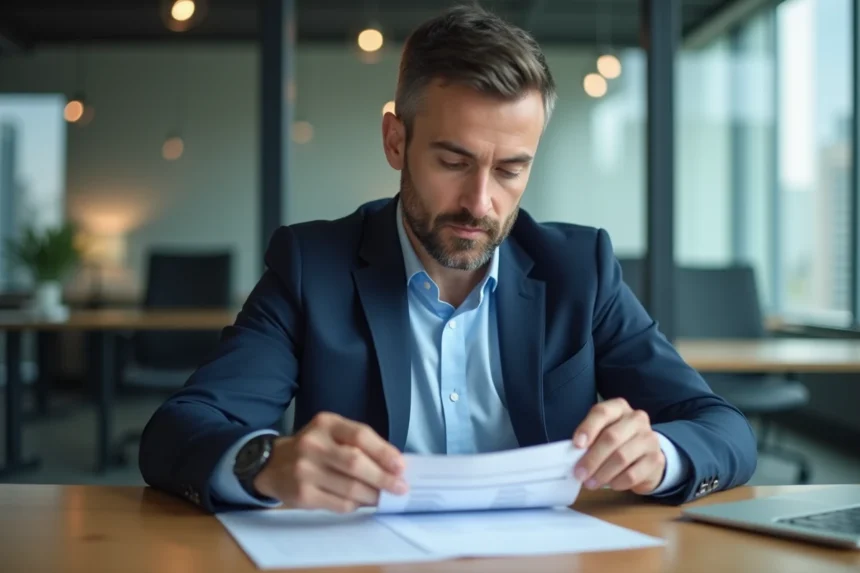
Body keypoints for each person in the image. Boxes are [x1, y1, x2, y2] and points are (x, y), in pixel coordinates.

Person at [139, 5, 757, 514]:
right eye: (454, 162)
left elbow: (720, 428)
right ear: (395, 141)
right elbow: (180, 429)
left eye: (511, 169)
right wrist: (264, 461)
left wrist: (661, 455)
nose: (481, 202)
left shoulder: (580, 268)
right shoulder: (312, 266)